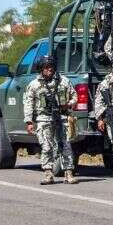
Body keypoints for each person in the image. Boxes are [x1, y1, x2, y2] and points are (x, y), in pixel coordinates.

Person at [24, 55, 77, 185]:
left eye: (51, 67)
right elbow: (28, 103)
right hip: (44, 118)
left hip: (62, 117)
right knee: (47, 146)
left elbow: (75, 96)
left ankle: (68, 173)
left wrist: (68, 104)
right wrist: (29, 122)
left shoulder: (64, 81)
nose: (49, 70)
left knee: (66, 146)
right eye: (46, 67)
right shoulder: (34, 85)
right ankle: (48, 174)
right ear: (41, 69)